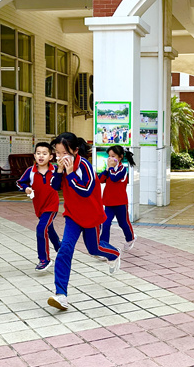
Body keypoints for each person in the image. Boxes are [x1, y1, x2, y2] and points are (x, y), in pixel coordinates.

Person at [47, 133, 121, 311]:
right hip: (72, 216)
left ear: (75, 151)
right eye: (57, 153)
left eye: (64, 153)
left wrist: (70, 173)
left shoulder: (84, 166)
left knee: (94, 249)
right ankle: (61, 294)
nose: (60, 157)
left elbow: (86, 190)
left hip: (91, 215)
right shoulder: (60, 166)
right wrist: (59, 171)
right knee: (65, 249)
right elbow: (54, 186)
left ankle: (114, 254)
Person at [17, 142, 61, 272]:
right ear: (34, 155)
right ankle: (60, 247)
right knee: (49, 228)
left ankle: (44, 259)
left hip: (52, 205)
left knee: (41, 229)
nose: (41, 156)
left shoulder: (55, 170)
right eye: (38, 153)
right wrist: (26, 188)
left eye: (44, 153)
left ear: (51, 157)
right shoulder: (30, 171)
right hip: (39, 207)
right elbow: (20, 183)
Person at [99, 145, 137, 250]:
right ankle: (104, 246)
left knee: (123, 223)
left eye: (113, 156)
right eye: (109, 156)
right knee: (105, 223)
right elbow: (100, 179)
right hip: (108, 203)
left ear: (120, 157)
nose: (110, 158)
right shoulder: (109, 169)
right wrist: (106, 169)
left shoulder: (122, 169)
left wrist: (110, 168)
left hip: (120, 203)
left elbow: (114, 178)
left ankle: (130, 238)